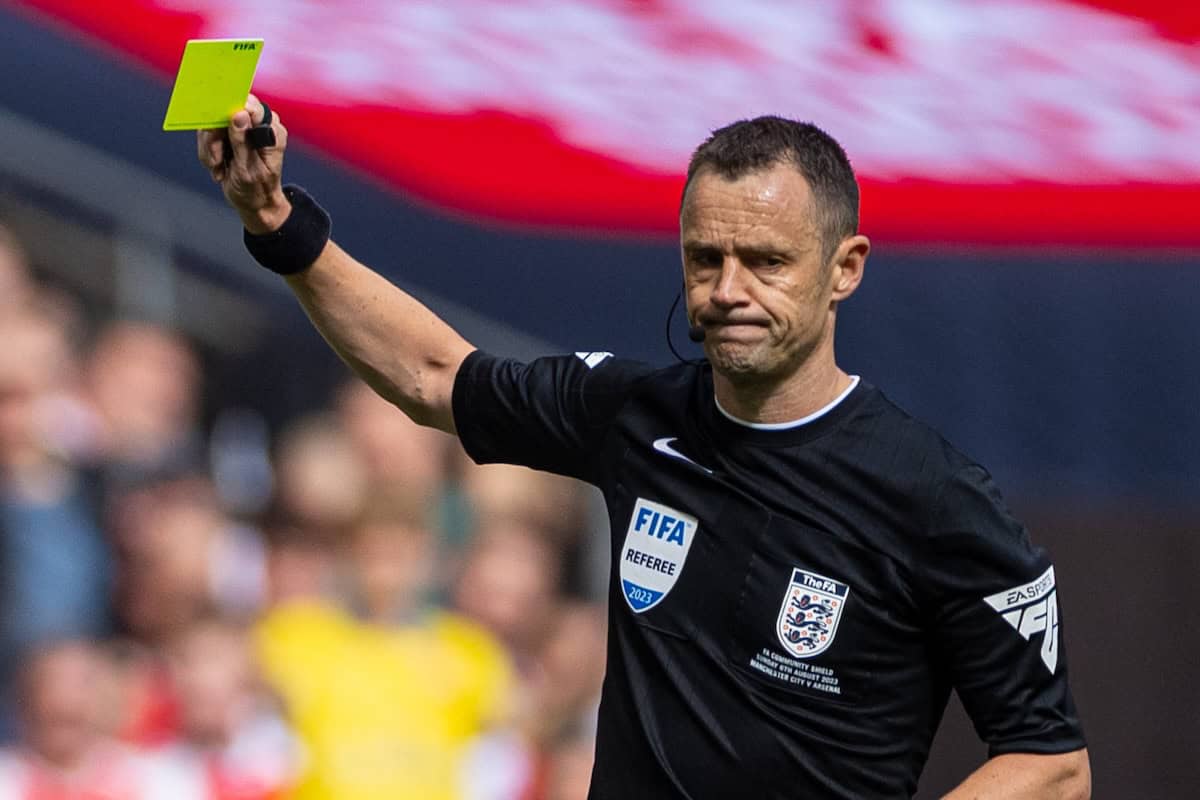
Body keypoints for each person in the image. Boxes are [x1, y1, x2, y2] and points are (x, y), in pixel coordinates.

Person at [198, 99, 1090, 799]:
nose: (728, 290)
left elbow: (1050, 763)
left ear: (844, 268)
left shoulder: (935, 497)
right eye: (706, 259)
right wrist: (276, 221)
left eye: (767, 262)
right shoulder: (634, 413)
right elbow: (433, 375)